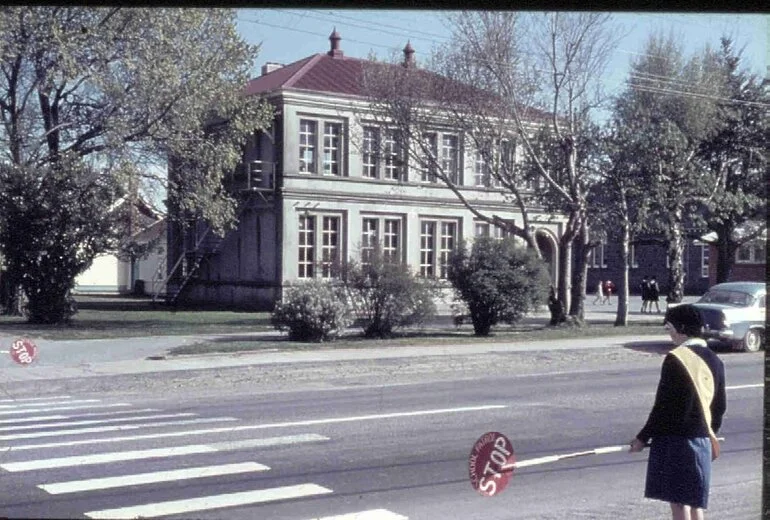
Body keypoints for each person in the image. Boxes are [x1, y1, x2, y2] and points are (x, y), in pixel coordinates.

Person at [630, 304, 726, 520]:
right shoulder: (715, 360)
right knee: (695, 505)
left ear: (681, 328)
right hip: (701, 440)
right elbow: (719, 407)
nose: (669, 333)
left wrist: (641, 438)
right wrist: (709, 433)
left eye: (670, 327)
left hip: (676, 442)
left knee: (679, 504)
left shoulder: (676, 358)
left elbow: (663, 406)